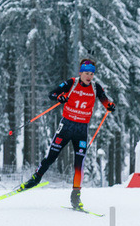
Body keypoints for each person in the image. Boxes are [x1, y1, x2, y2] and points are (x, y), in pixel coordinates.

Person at [17, 58, 116, 209]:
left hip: (81, 130)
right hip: (66, 127)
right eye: (86, 73)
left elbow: (105, 100)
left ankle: (75, 196)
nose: (89, 76)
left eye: (91, 74)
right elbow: (52, 94)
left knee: (79, 163)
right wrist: (60, 97)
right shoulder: (72, 83)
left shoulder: (96, 88)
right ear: (80, 73)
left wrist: (109, 105)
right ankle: (35, 179)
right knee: (51, 156)